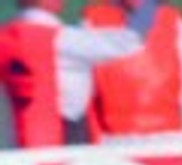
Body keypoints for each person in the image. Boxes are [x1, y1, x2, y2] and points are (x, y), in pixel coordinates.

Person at [0, 0, 154, 148]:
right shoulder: (61, 40)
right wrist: (149, 6)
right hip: (63, 139)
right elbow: (130, 41)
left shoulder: (6, 38)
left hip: (17, 142)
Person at [82, 0, 182, 143]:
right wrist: (99, 144)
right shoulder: (92, 23)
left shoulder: (173, 22)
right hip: (114, 144)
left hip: (169, 141)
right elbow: (82, 94)